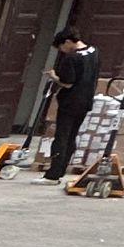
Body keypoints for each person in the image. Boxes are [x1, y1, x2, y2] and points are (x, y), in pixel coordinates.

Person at [42, 27, 100, 182]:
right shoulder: (94, 52)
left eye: (62, 47)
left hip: (70, 101)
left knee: (61, 136)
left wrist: (54, 77)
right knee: (71, 136)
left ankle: (53, 174)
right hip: (86, 100)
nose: (62, 51)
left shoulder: (72, 58)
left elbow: (67, 83)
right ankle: (61, 170)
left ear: (67, 42)